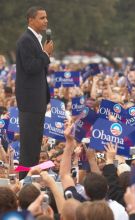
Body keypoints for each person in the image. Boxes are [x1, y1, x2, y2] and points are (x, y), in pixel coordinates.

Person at [15, 6, 54, 180]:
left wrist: (44, 54)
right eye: (41, 18)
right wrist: (45, 54)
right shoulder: (26, 40)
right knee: (28, 147)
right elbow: (30, 68)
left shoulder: (35, 39)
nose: (46, 20)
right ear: (30, 20)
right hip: (30, 101)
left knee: (35, 145)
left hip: (36, 101)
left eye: (46, 18)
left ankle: (30, 180)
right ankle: (24, 182)